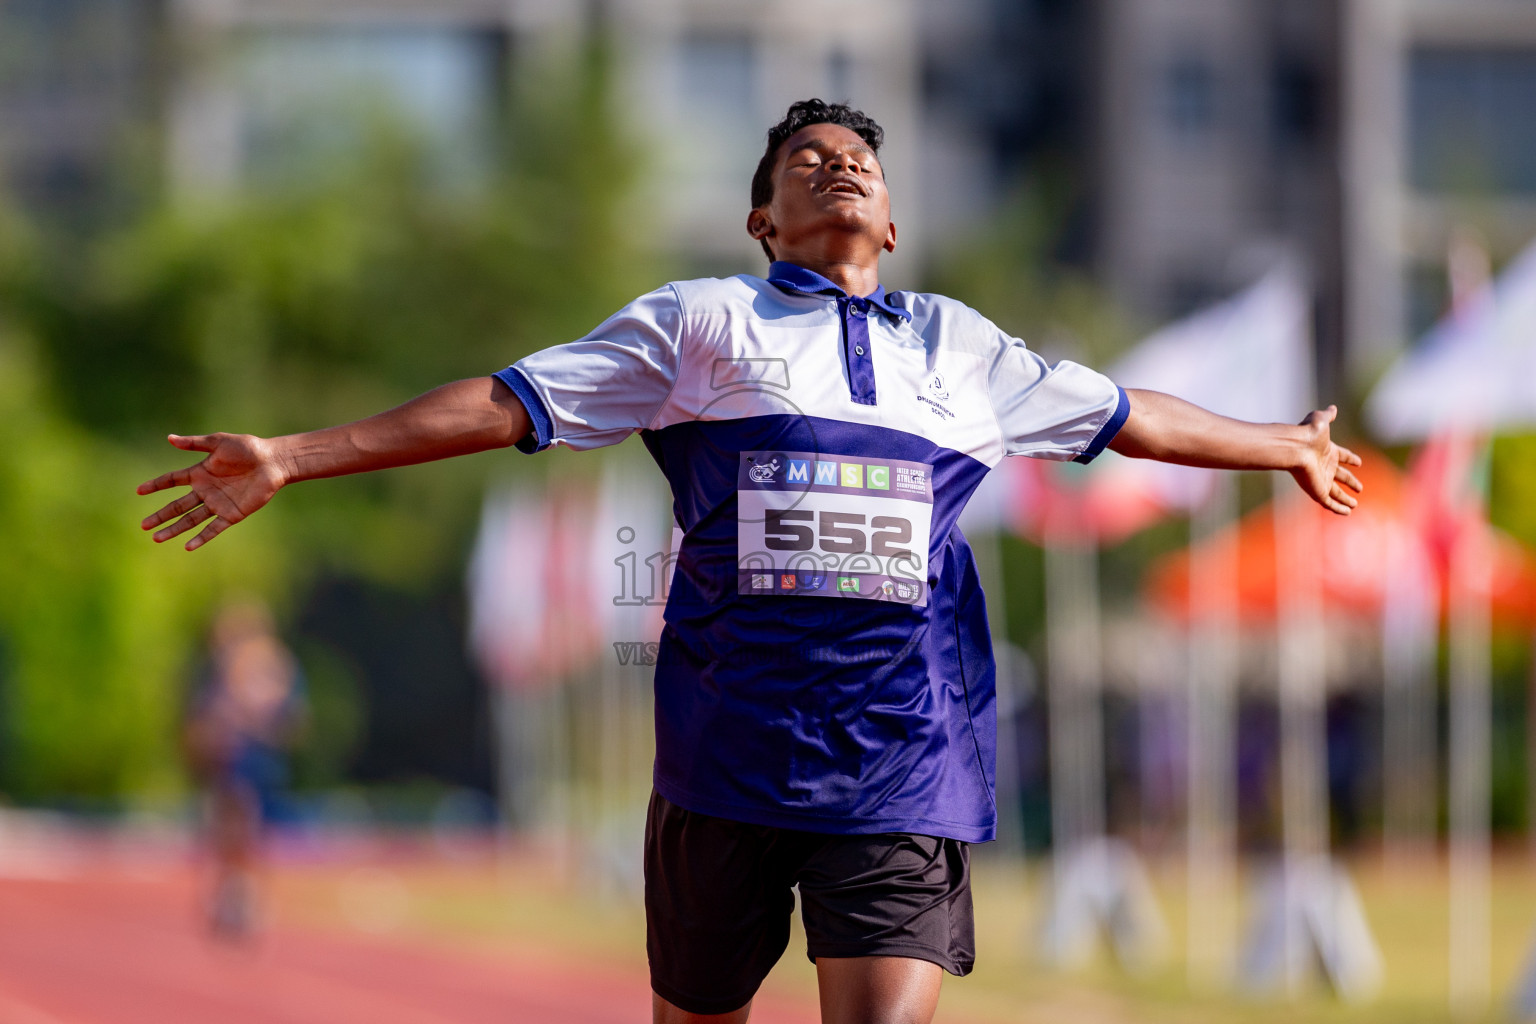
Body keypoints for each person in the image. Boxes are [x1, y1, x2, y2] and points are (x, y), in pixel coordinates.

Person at [141, 99, 1361, 1022]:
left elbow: (1126, 414)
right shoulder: (701, 323)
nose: (839, 166)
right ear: (762, 219)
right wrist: (298, 454)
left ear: (891, 221)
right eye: (806, 160)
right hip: (726, 758)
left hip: (899, 759)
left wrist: (1281, 445)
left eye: (861, 163)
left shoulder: (963, 349)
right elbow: (505, 403)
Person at [182, 598, 305, 939]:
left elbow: (292, 721)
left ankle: (246, 897)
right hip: (228, 763)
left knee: (252, 835)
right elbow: (199, 724)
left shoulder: (277, 666)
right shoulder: (216, 671)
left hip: (259, 762)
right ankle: (231, 896)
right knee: (229, 832)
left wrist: (259, 723)